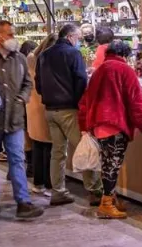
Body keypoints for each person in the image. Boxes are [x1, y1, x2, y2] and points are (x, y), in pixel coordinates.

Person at [77, 40, 142, 219]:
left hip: (98, 124)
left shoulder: (100, 70)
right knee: (112, 164)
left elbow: (85, 100)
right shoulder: (125, 70)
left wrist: (84, 125)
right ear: (124, 55)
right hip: (115, 124)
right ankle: (106, 204)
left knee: (107, 164)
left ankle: (110, 198)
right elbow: (136, 101)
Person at [0, 21, 44, 220]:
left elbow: (27, 83)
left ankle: (23, 202)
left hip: (14, 119)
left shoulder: (20, 58)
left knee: (17, 159)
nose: (14, 38)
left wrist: (21, 98)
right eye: (10, 34)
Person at [35, 24, 103, 206]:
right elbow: (81, 79)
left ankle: (58, 191)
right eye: (79, 38)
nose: (79, 41)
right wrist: (80, 102)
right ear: (71, 36)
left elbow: (38, 84)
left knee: (57, 152)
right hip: (69, 109)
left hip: (50, 110)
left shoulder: (44, 55)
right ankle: (95, 190)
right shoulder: (73, 54)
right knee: (85, 148)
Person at [27, 34, 57, 196]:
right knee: (49, 147)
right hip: (45, 105)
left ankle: (38, 183)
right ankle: (48, 183)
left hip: (32, 106)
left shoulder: (31, 58)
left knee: (37, 145)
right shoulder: (46, 60)